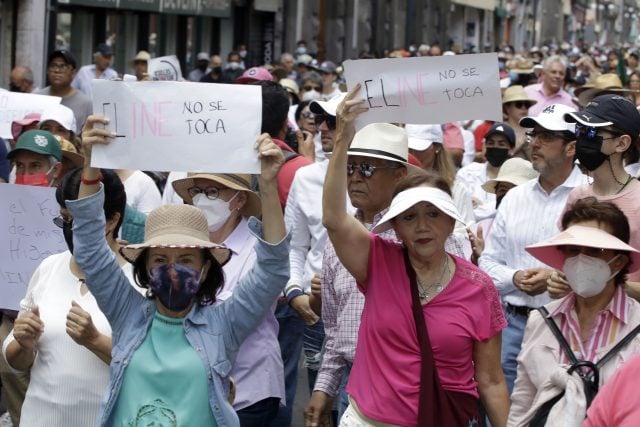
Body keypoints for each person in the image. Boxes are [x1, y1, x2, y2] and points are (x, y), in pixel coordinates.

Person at [69, 114, 289, 425]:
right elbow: (91, 248)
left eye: (186, 260)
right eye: (160, 260)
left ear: (204, 269)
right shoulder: (126, 312)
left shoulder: (225, 324)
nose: (173, 271)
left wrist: (267, 186)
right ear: (144, 267)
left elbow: (273, 270)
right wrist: (90, 166)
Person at [319, 85, 509, 427]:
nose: (423, 227)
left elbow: (491, 379)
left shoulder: (479, 287)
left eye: (433, 214)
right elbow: (334, 219)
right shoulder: (379, 261)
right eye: (409, 217)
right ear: (396, 228)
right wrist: (342, 140)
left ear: (451, 222)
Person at [2, 168, 135, 426]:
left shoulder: (138, 282)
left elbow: (150, 366)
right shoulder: (48, 268)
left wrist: (95, 341)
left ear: (111, 221)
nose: (71, 229)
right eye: (65, 219)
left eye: (82, 222)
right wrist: (22, 342)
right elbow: (15, 360)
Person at [305, 122, 414, 427]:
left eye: (366, 169)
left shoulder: (421, 237)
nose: (354, 177)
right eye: (350, 167)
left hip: (412, 387)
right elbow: (335, 328)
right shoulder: (334, 245)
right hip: (354, 387)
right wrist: (323, 387)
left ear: (399, 174)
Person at [479, 103, 587, 394]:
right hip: (511, 326)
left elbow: (600, 267)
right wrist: (516, 278)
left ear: (571, 148)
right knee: (504, 412)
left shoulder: (590, 197)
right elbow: (486, 264)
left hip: (569, 326)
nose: (535, 142)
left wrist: (553, 277)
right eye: (534, 134)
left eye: (547, 136)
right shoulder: (514, 198)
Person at [508, 198, 640, 425]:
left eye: (594, 250)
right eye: (572, 249)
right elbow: (523, 403)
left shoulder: (636, 325)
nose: (581, 259)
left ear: (618, 262)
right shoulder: (540, 320)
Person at [172, 173, 285, 426]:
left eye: (212, 192)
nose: (202, 200)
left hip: (247, 390)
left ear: (239, 200)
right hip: (194, 390)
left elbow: (236, 312)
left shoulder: (259, 249)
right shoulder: (185, 247)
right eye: (197, 192)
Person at [561, 94, 640, 288]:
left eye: (592, 133)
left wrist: (606, 286)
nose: (582, 139)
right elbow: (565, 259)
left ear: (622, 143)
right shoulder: (576, 196)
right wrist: (558, 280)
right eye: (580, 130)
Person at [456, 123, 516, 222]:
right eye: (491, 143)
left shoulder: (517, 178)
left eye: (501, 144)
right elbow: (461, 211)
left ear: (511, 149)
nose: (495, 147)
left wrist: (478, 207)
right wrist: (496, 206)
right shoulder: (467, 172)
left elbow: (510, 211)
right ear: (485, 146)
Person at [36, 50, 92, 132]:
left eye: (63, 67)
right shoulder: (37, 97)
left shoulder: (86, 103)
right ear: (47, 70)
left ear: (73, 72)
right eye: (53, 66)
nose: (57, 70)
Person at [502, 85, 537, 160]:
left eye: (527, 105)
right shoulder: (500, 129)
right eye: (519, 104)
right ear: (507, 108)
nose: (524, 108)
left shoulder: (534, 130)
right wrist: (519, 145)